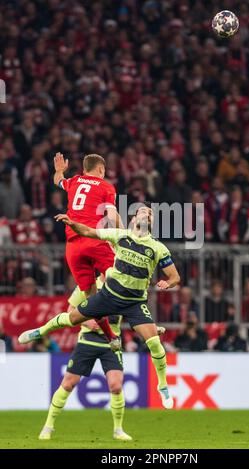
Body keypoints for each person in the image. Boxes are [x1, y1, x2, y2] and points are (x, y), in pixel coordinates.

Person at [19, 205, 181, 410]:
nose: (147, 214)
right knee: (73, 318)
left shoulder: (158, 248)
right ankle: (39, 331)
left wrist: (169, 283)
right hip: (109, 296)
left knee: (155, 343)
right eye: (143, 211)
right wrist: (72, 223)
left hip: (135, 302)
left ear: (152, 223)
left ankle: (163, 385)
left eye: (150, 214)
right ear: (133, 219)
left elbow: (175, 277)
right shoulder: (120, 235)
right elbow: (88, 231)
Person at [38, 277, 132, 442]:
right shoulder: (88, 284)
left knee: (116, 386)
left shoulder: (122, 285)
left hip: (112, 342)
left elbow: (133, 311)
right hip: (88, 340)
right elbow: (70, 309)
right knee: (68, 383)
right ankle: (48, 426)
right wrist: (87, 322)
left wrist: (151, 328)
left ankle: (118, 430)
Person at [53, 152, 124, 350]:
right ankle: (144, 325)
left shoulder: (74, 181)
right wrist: (125, 234)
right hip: (95, 240)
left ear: (85, 169)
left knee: (92, 299)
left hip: (73, 248)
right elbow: (111, 215)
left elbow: (58, 180)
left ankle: (111, 337)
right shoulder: (106, 186)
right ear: (101, 169)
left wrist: (59, 171)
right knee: (123, 278)